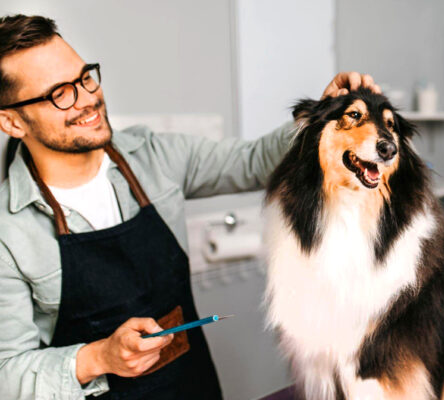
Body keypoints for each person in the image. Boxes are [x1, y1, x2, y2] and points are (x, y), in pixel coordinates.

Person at [0, 14, 379, 400]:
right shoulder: (7, 233)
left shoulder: (152, 156)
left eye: (85, 78)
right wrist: (98, 357)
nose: (87, 99)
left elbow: (252, 162)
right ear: (12, 122)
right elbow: (5, 372)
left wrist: (324, 117)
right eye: (59, 94)